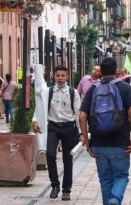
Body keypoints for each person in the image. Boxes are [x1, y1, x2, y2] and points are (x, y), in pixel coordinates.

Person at [79, 58, 131, 205]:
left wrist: (87, 142)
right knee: (121, 176)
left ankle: (110, 201)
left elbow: (82, 116)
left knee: (105, 180)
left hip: (98, 143)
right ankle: (115, 198)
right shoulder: (124, 88)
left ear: (101, 72)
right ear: (115, 71)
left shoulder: (93, 89)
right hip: (120, 142)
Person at [32, 65, 81, 201]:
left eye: (63, 75)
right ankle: (55, 185)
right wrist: (35, 120)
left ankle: (66, 190)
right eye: (57, 75)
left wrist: (81, 131)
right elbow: (40, 106)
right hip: (53, 127)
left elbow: (78, 113)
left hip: (69, 128)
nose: (60, 78)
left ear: (67, 77)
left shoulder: (73, 92)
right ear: (54, 76)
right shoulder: (48, 92)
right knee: (50, 154)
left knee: (68, 160)